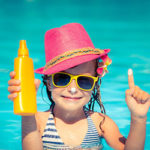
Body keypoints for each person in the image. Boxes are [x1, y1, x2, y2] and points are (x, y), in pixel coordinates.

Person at [8, 23, 150, 150]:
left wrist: (138, 118)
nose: (73, 89)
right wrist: (27, 112)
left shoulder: (100, 122)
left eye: (84, 80)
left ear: (94, 84)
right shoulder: (38, 121)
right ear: (48, 82)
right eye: (62, 78)